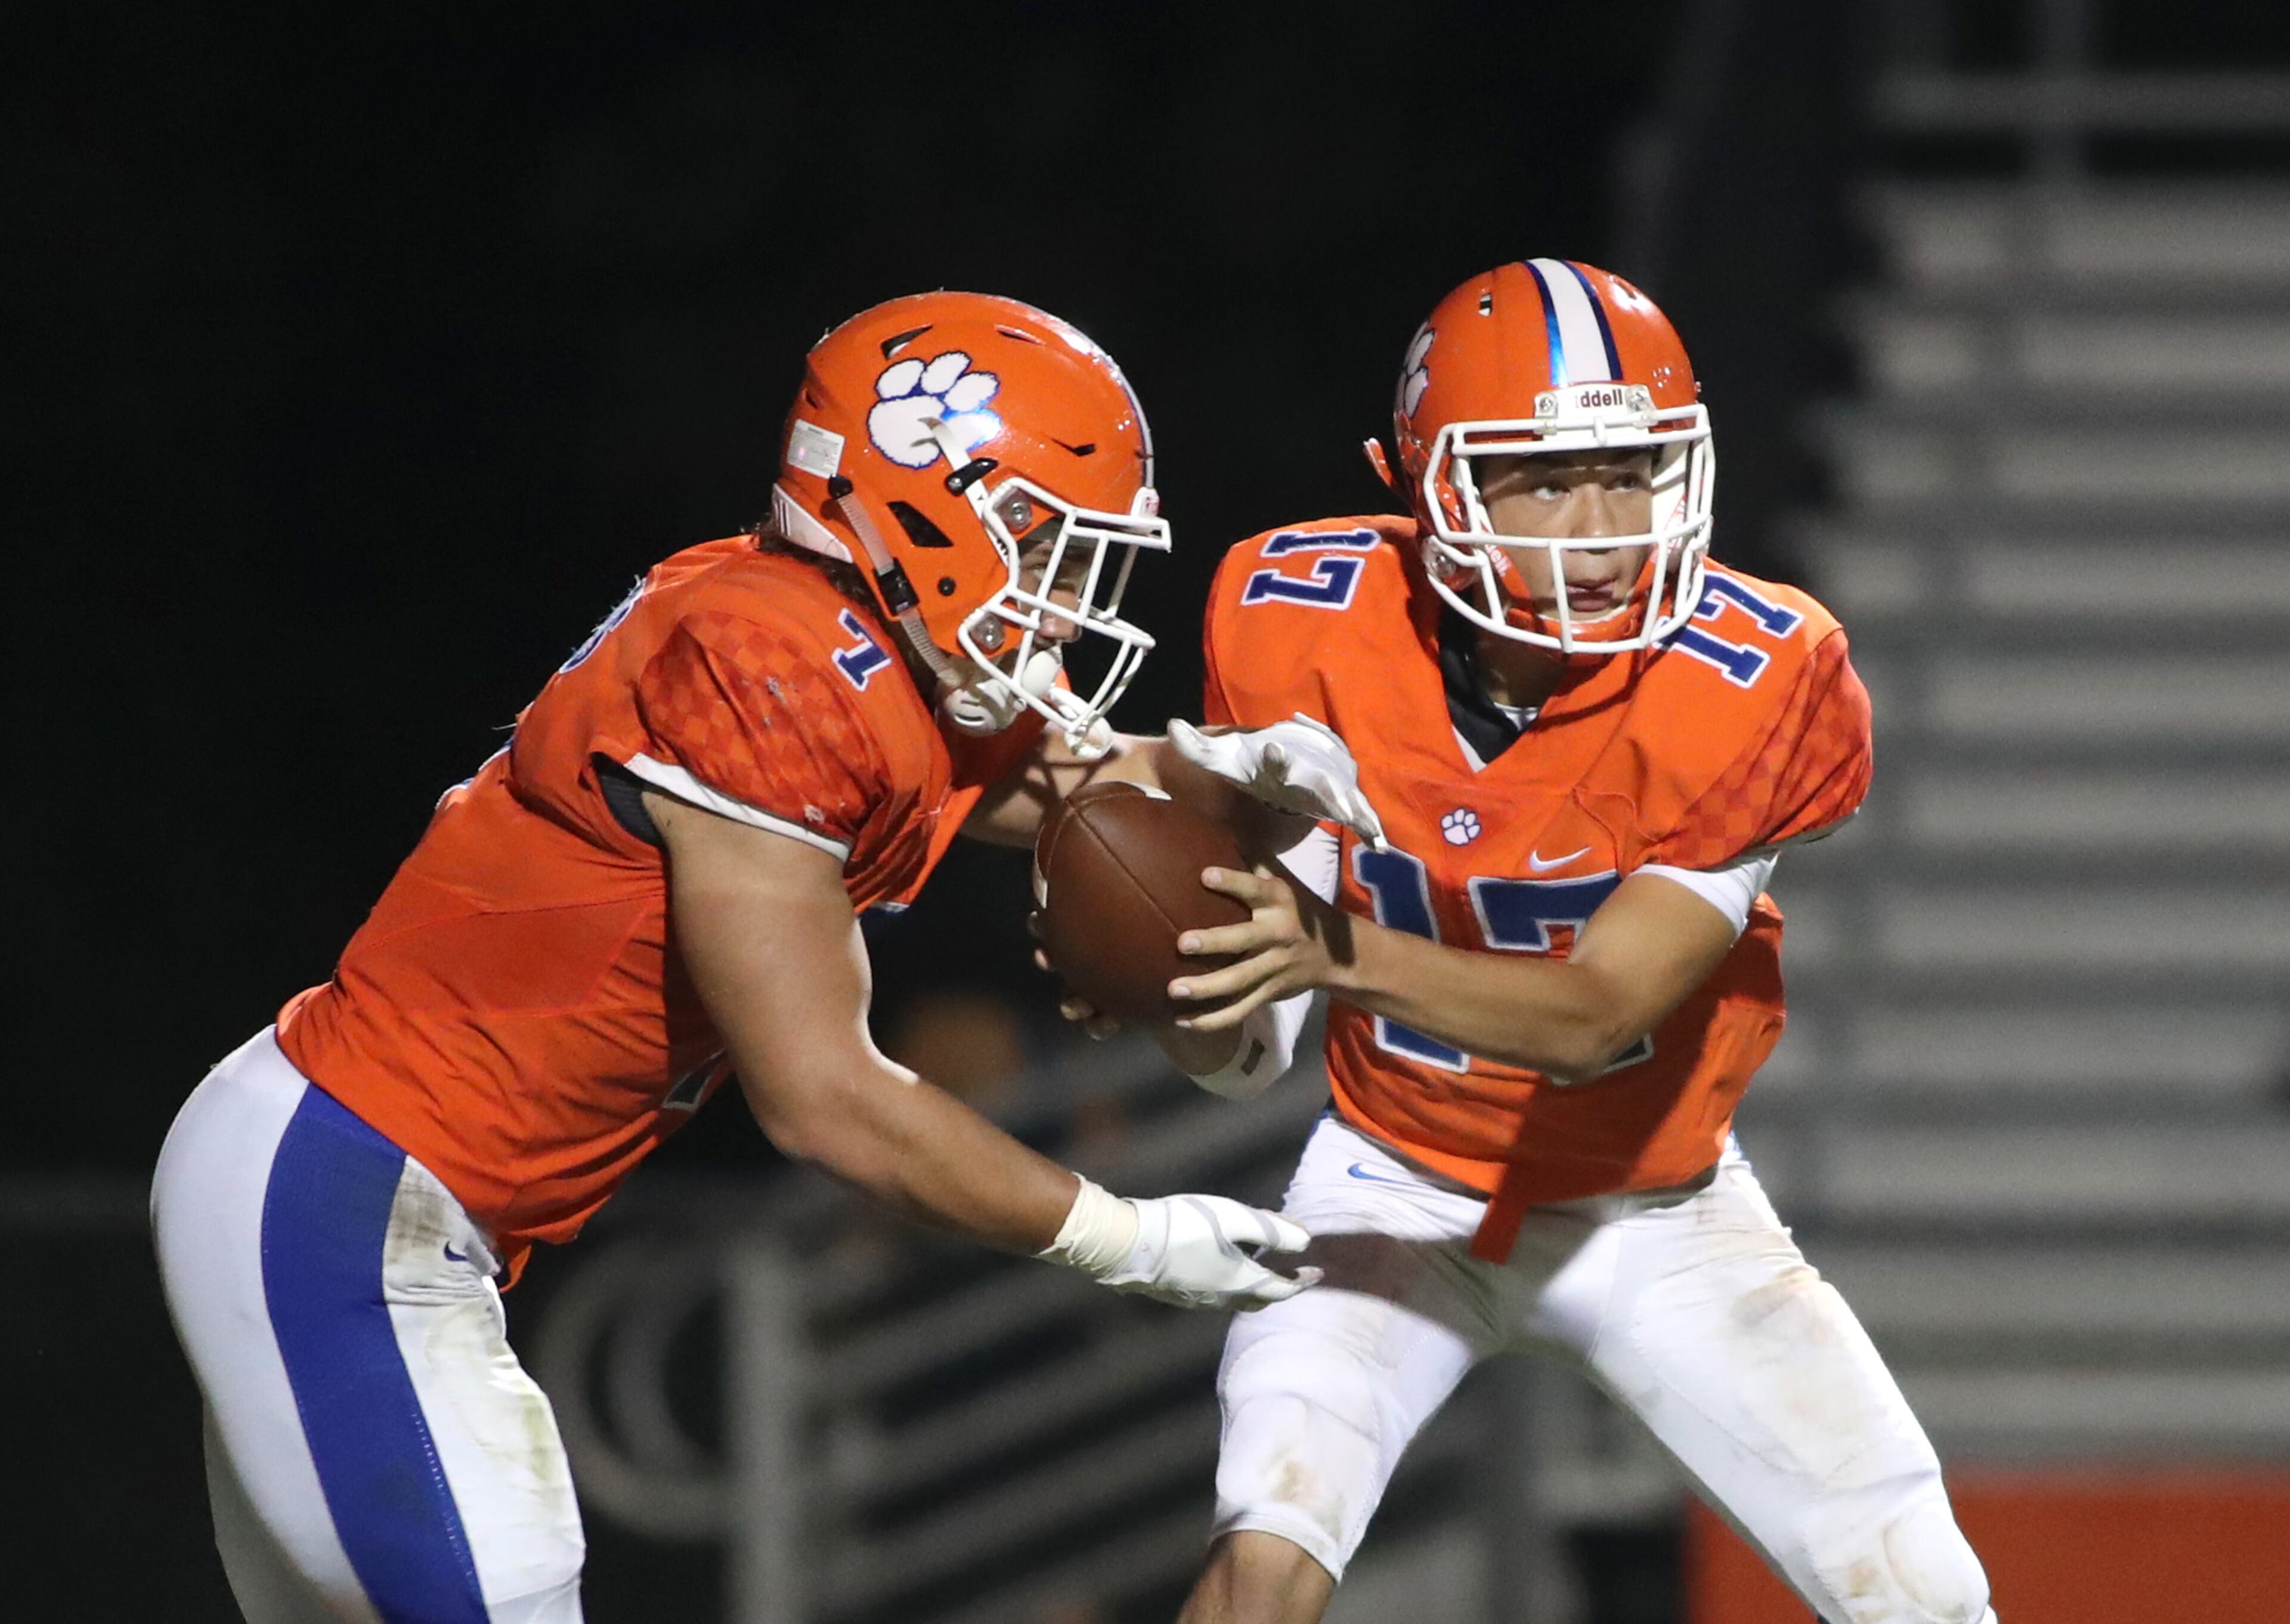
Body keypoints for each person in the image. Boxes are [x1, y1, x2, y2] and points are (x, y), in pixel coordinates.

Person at [150, 291, 1378, 1624]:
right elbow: (827, 1099)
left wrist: (1244, 775)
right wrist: (1122, 1235)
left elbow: (1088, 791)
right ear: (928, 507)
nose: (1070, 606)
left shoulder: (836, 646)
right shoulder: (773, 669)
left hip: (368, 1189)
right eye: (1046, 548)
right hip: (344, 1193)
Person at [1147, 262, 1997, 1623]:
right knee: (1264, 1554)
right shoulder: (1299, 619)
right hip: (1390, 1187)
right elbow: (1238, 1059)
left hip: (1656, 1211)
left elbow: (1601, 1007)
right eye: (1542, 481)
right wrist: (1179, 968)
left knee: (1928, 1599)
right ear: (1424, 485)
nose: (1599, 532)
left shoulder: (1758, 676)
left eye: (1633, 473)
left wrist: (1332, 948)